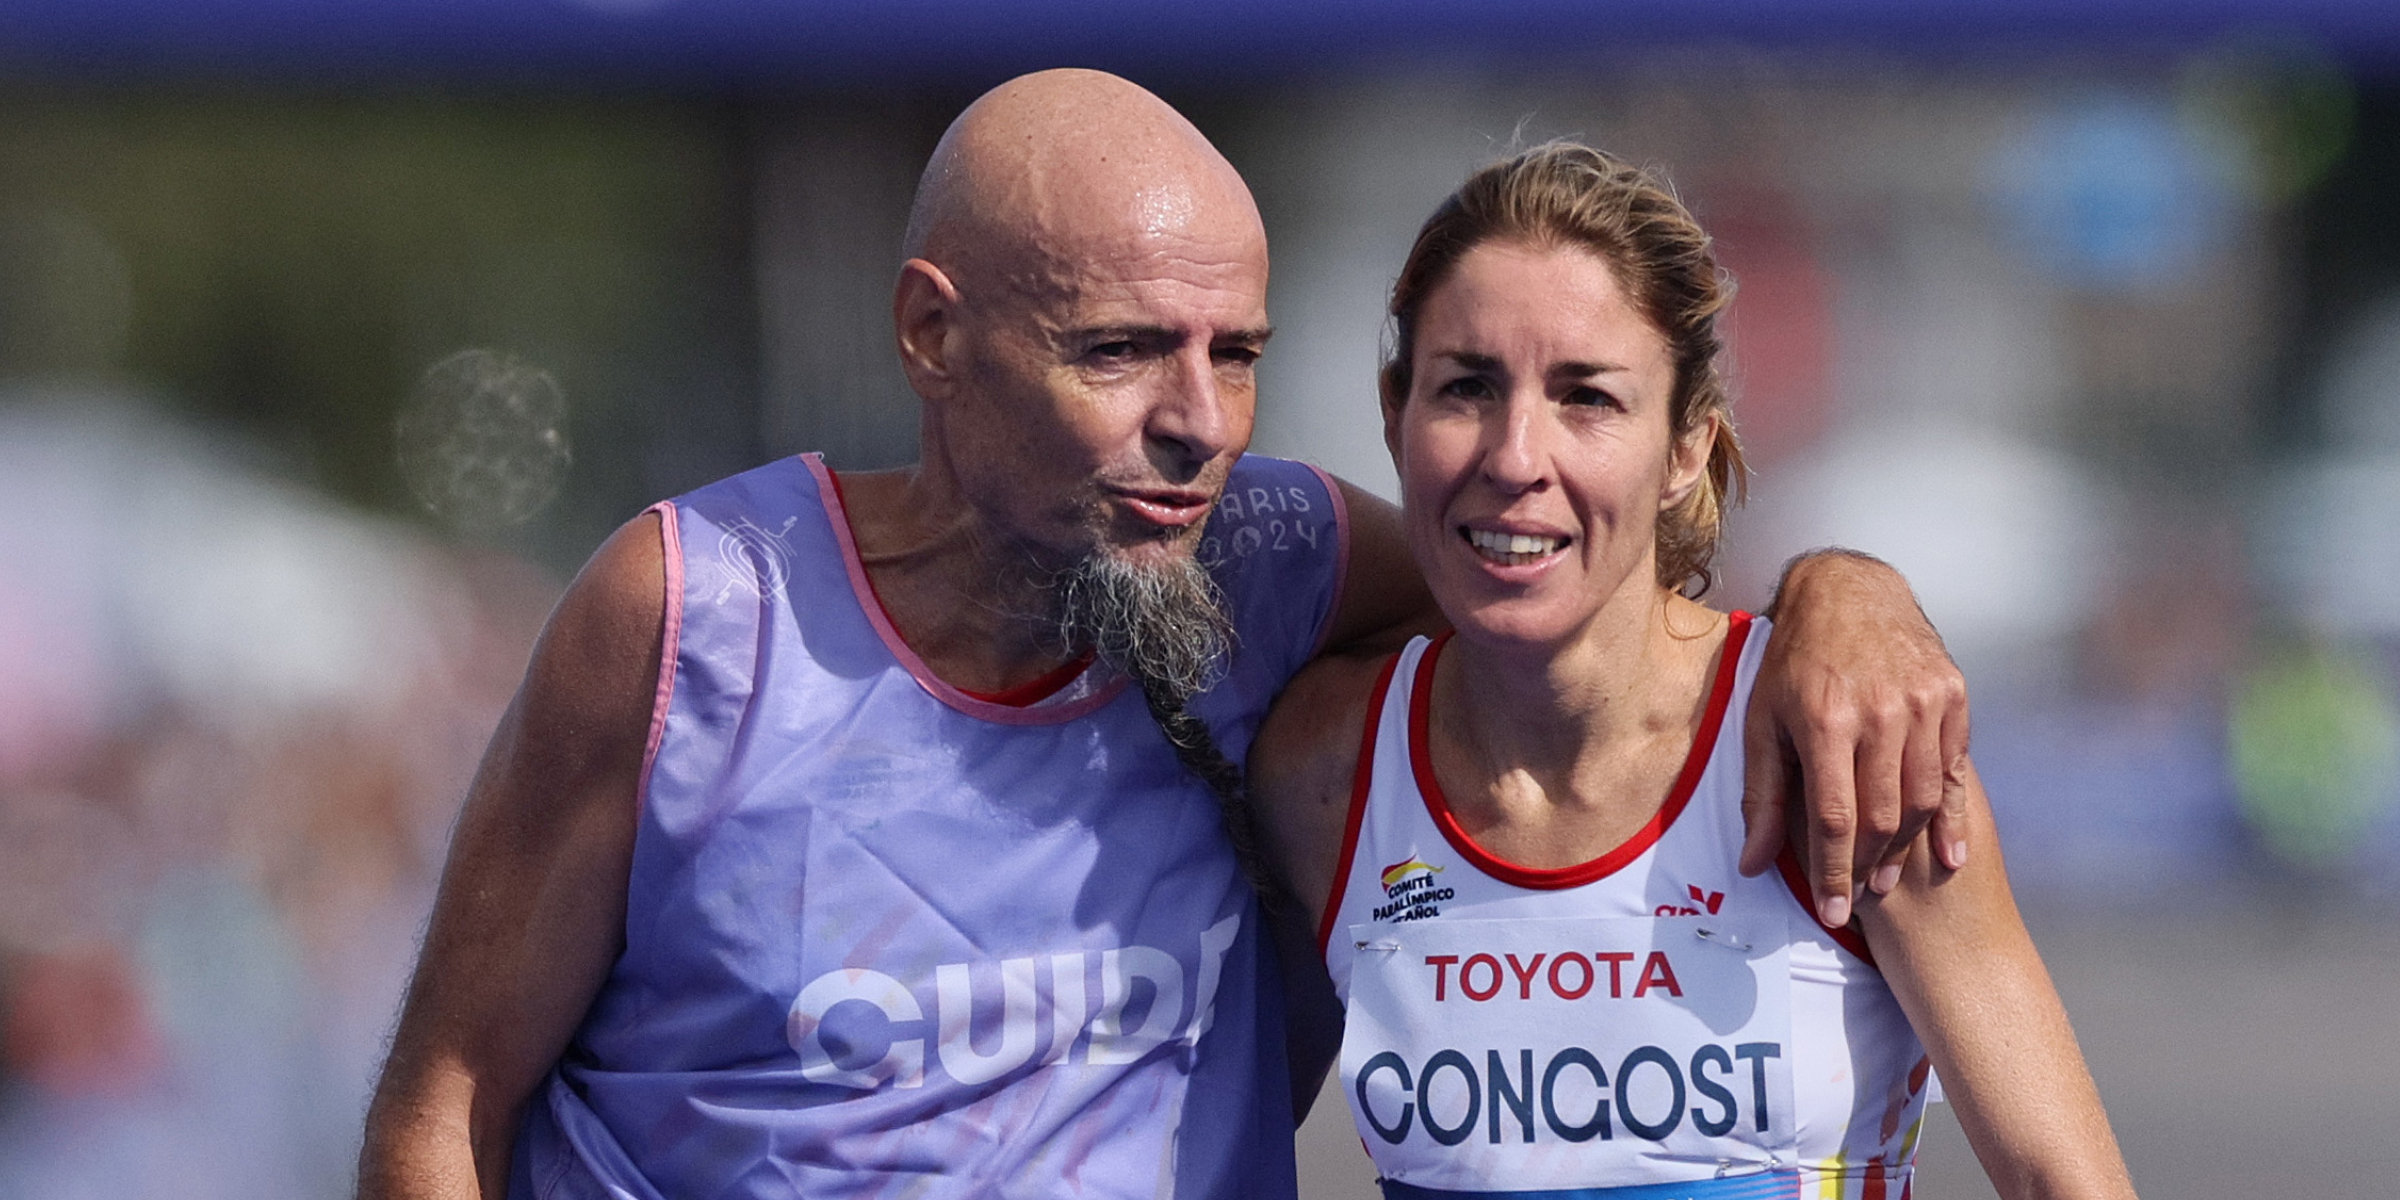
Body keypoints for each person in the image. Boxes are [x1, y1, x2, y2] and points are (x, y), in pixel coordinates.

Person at [357, 72, 1972, 1200]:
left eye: (1239, 352)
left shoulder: (1260, 558)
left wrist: (1844, 596)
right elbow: (443, 1103)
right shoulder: (691, 614)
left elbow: (1593, 593)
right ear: (934, 333)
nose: (1199, 425)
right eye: (1122, 351)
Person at [1249, 143, 2134, 1198]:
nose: (1516, 454)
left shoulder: (1844, 746)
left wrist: (1851, 581)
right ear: (1396, 415)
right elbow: (1217, 1137)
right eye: (1467, 387)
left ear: (1685, 450)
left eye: (1588, 397)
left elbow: (2062, 1181)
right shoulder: (1320, 770)